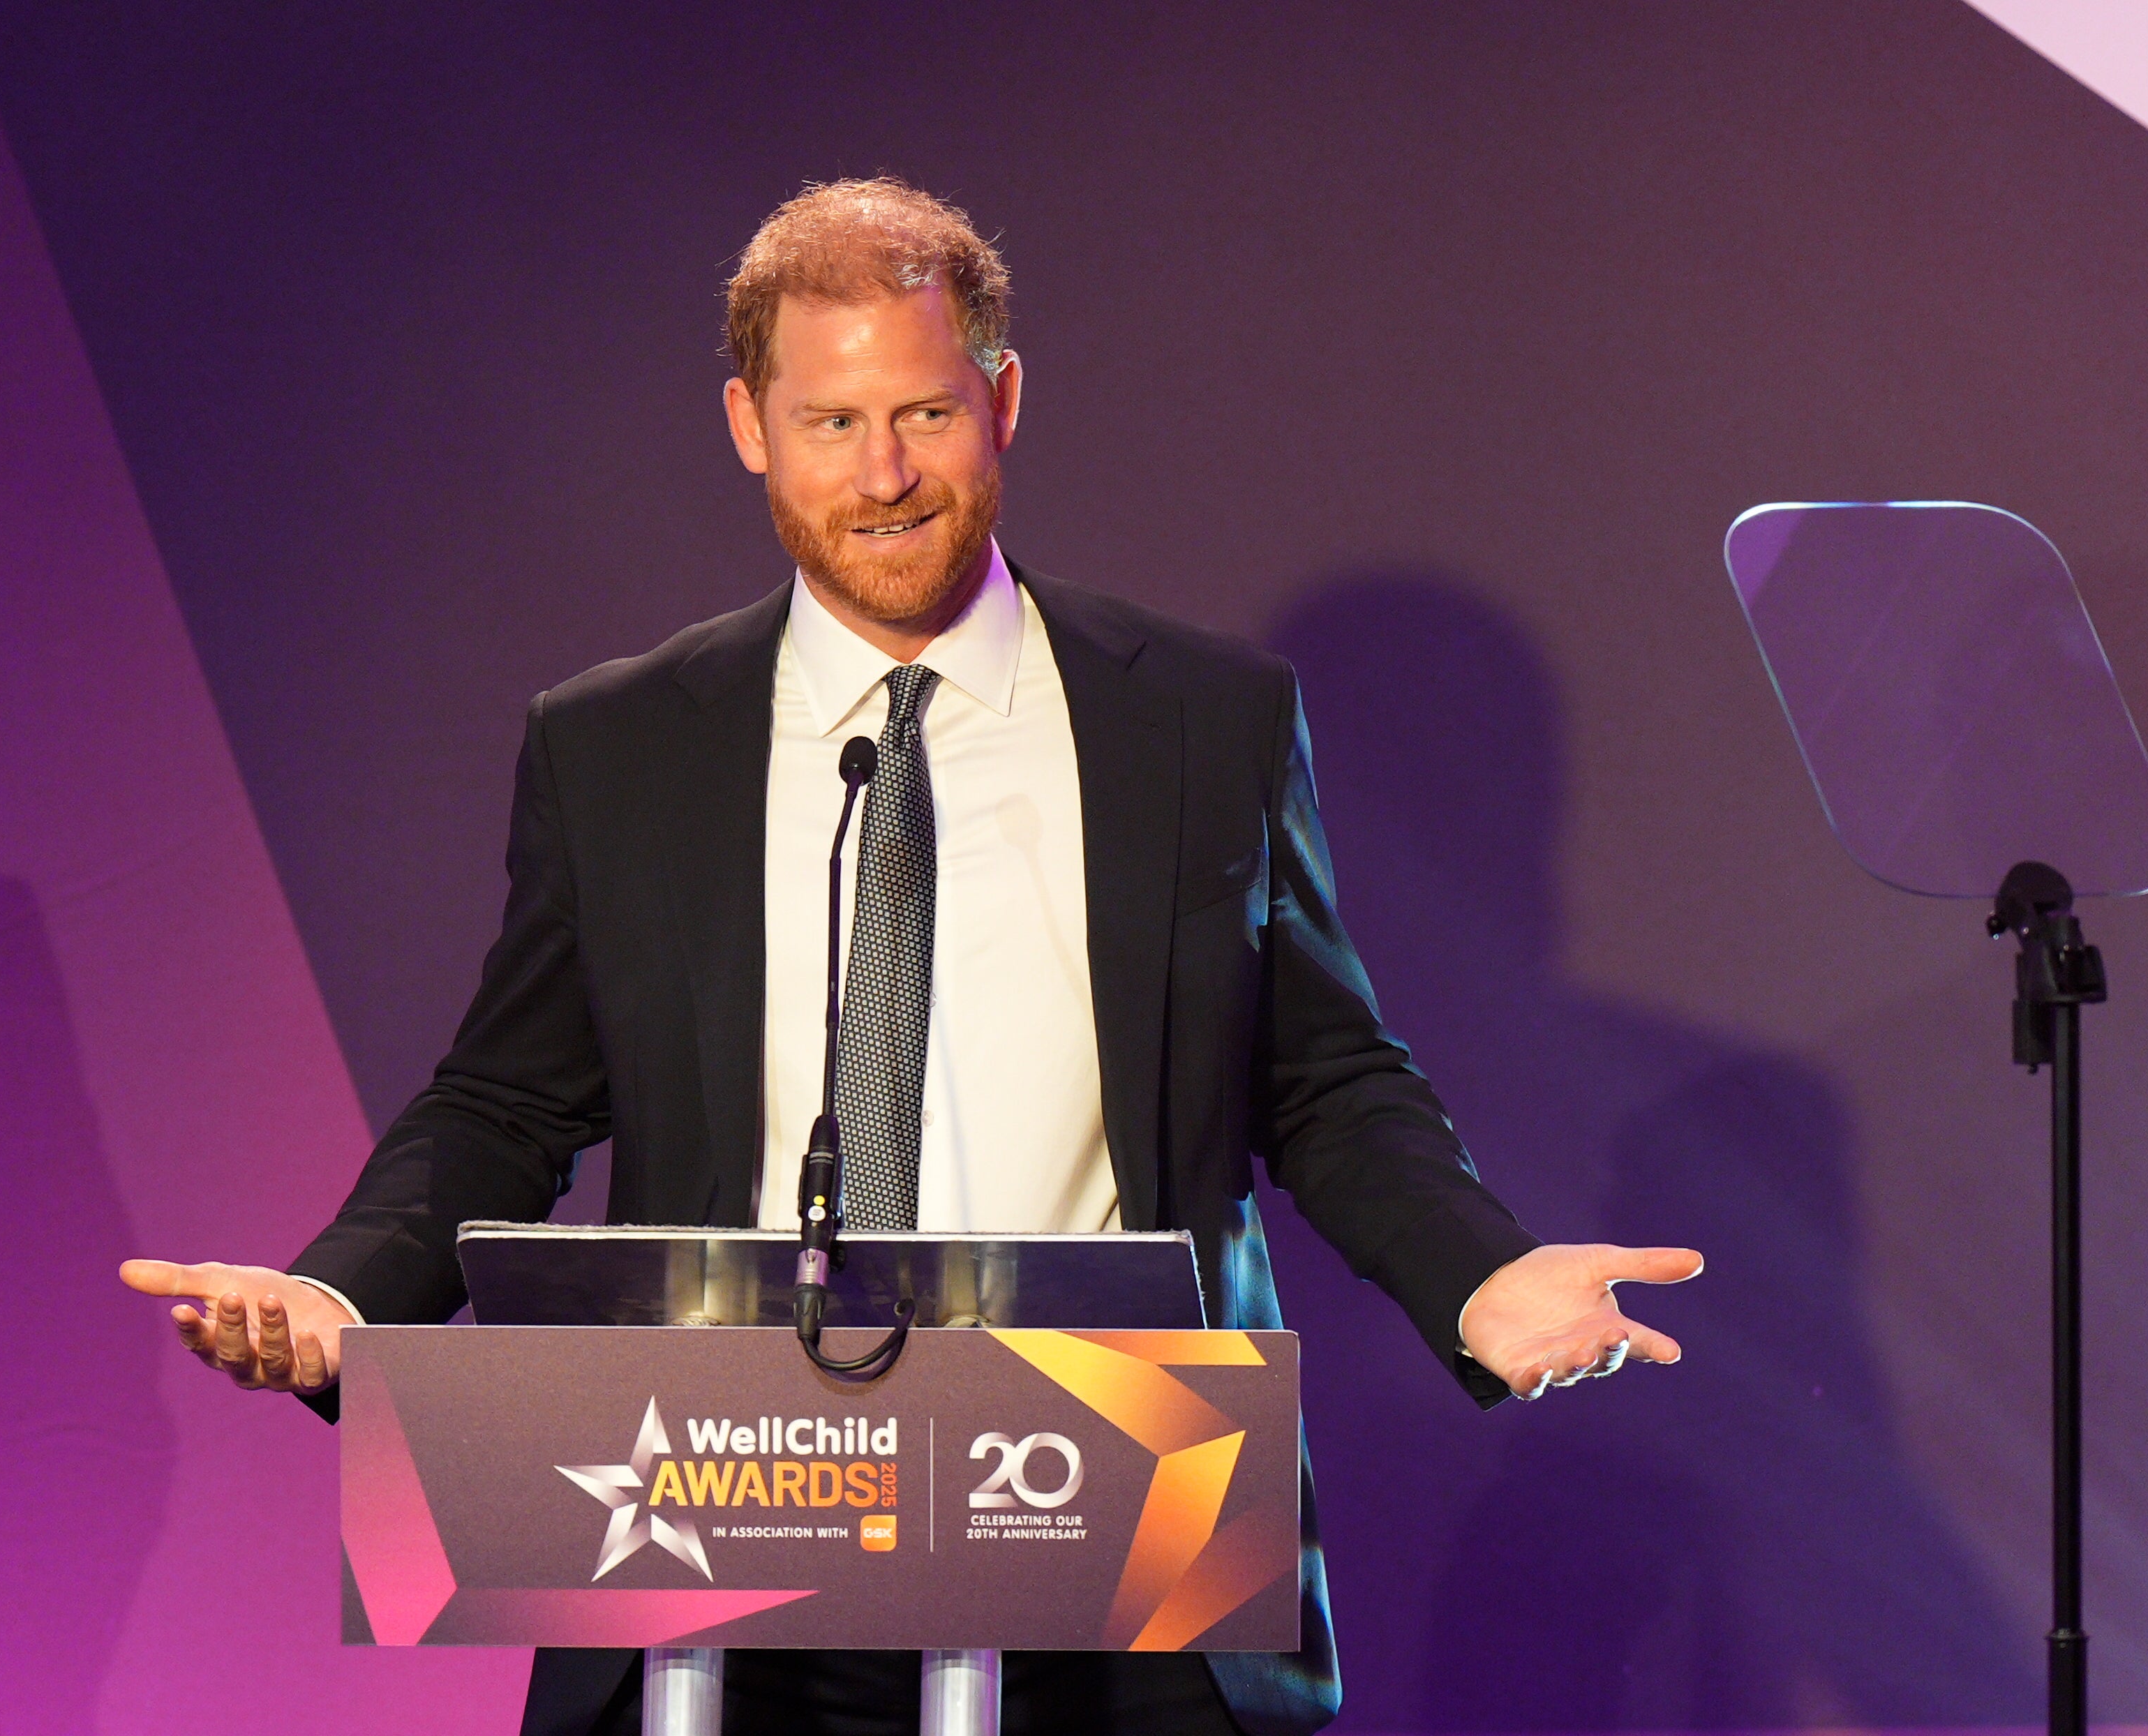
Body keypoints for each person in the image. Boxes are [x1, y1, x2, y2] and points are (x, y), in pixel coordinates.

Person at [122, 177, 1702, 1736]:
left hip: (1123, 1511)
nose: (883, 475)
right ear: (749, 424)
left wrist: (1476, 1272)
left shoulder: (1199, 720)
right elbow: (508, 1096)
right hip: (723, 1527)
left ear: (1002, 400)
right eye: (830, 424)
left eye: (925, 416)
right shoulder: (617, 746)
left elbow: (1324, 1076)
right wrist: (344, 1288)